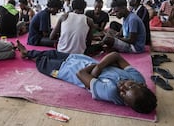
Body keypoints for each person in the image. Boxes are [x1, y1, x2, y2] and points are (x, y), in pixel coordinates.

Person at [16, 41, 157, 114]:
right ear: (141, 85)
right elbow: (116, 55)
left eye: (123, 94)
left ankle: (28, 56)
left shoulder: (110, 91)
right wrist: (98, 68)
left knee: (42, 63)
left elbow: (80, 74)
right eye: (130, 86)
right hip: (77, 58)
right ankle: (27, 52)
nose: (123, 87)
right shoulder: (139, 78)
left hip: (65, 70)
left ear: (125, 103)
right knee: (51, 53)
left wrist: (97, 67)